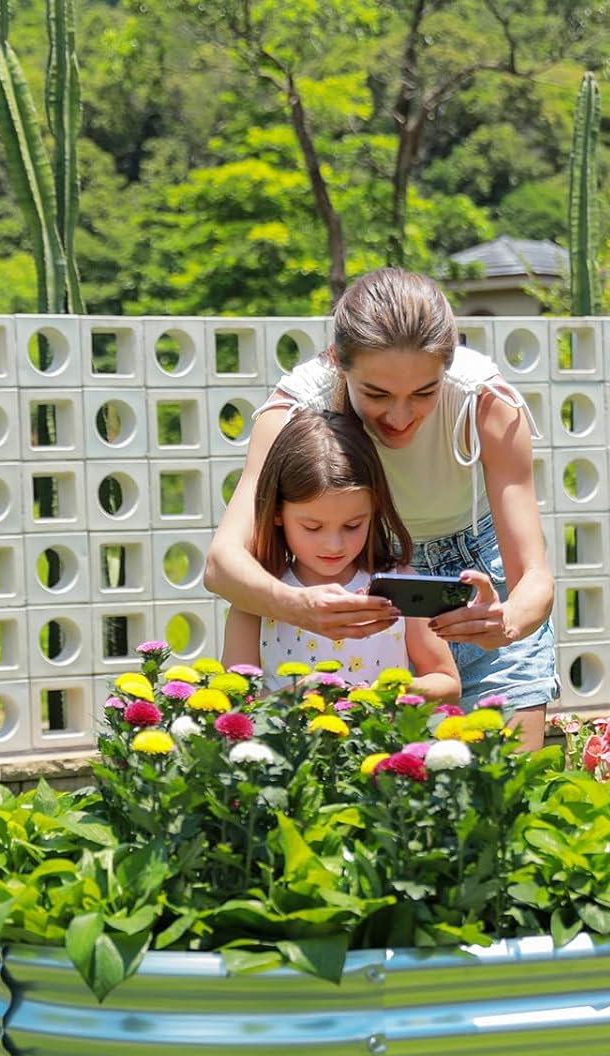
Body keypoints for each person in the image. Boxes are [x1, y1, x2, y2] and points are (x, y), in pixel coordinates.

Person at [205, 267, 557, 749]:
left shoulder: (486, 402)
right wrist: (298, 606)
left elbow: (534, 574)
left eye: (424, 393)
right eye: (376, 394)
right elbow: (221, 564)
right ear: (337, 362)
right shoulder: (296, 406)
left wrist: (509, 620)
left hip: (476, 583)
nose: (399, 416)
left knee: (512, 784)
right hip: (361, 582)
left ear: (447, 369)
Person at [221, 408, 460, 702]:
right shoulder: (255, 598)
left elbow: (448, 683)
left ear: (375, 509)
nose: (334, 545)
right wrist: (298, 696)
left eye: (352, 525)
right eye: (312, 527)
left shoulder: (401, 585)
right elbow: (233, 707)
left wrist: (391, 693)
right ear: (278, 512)